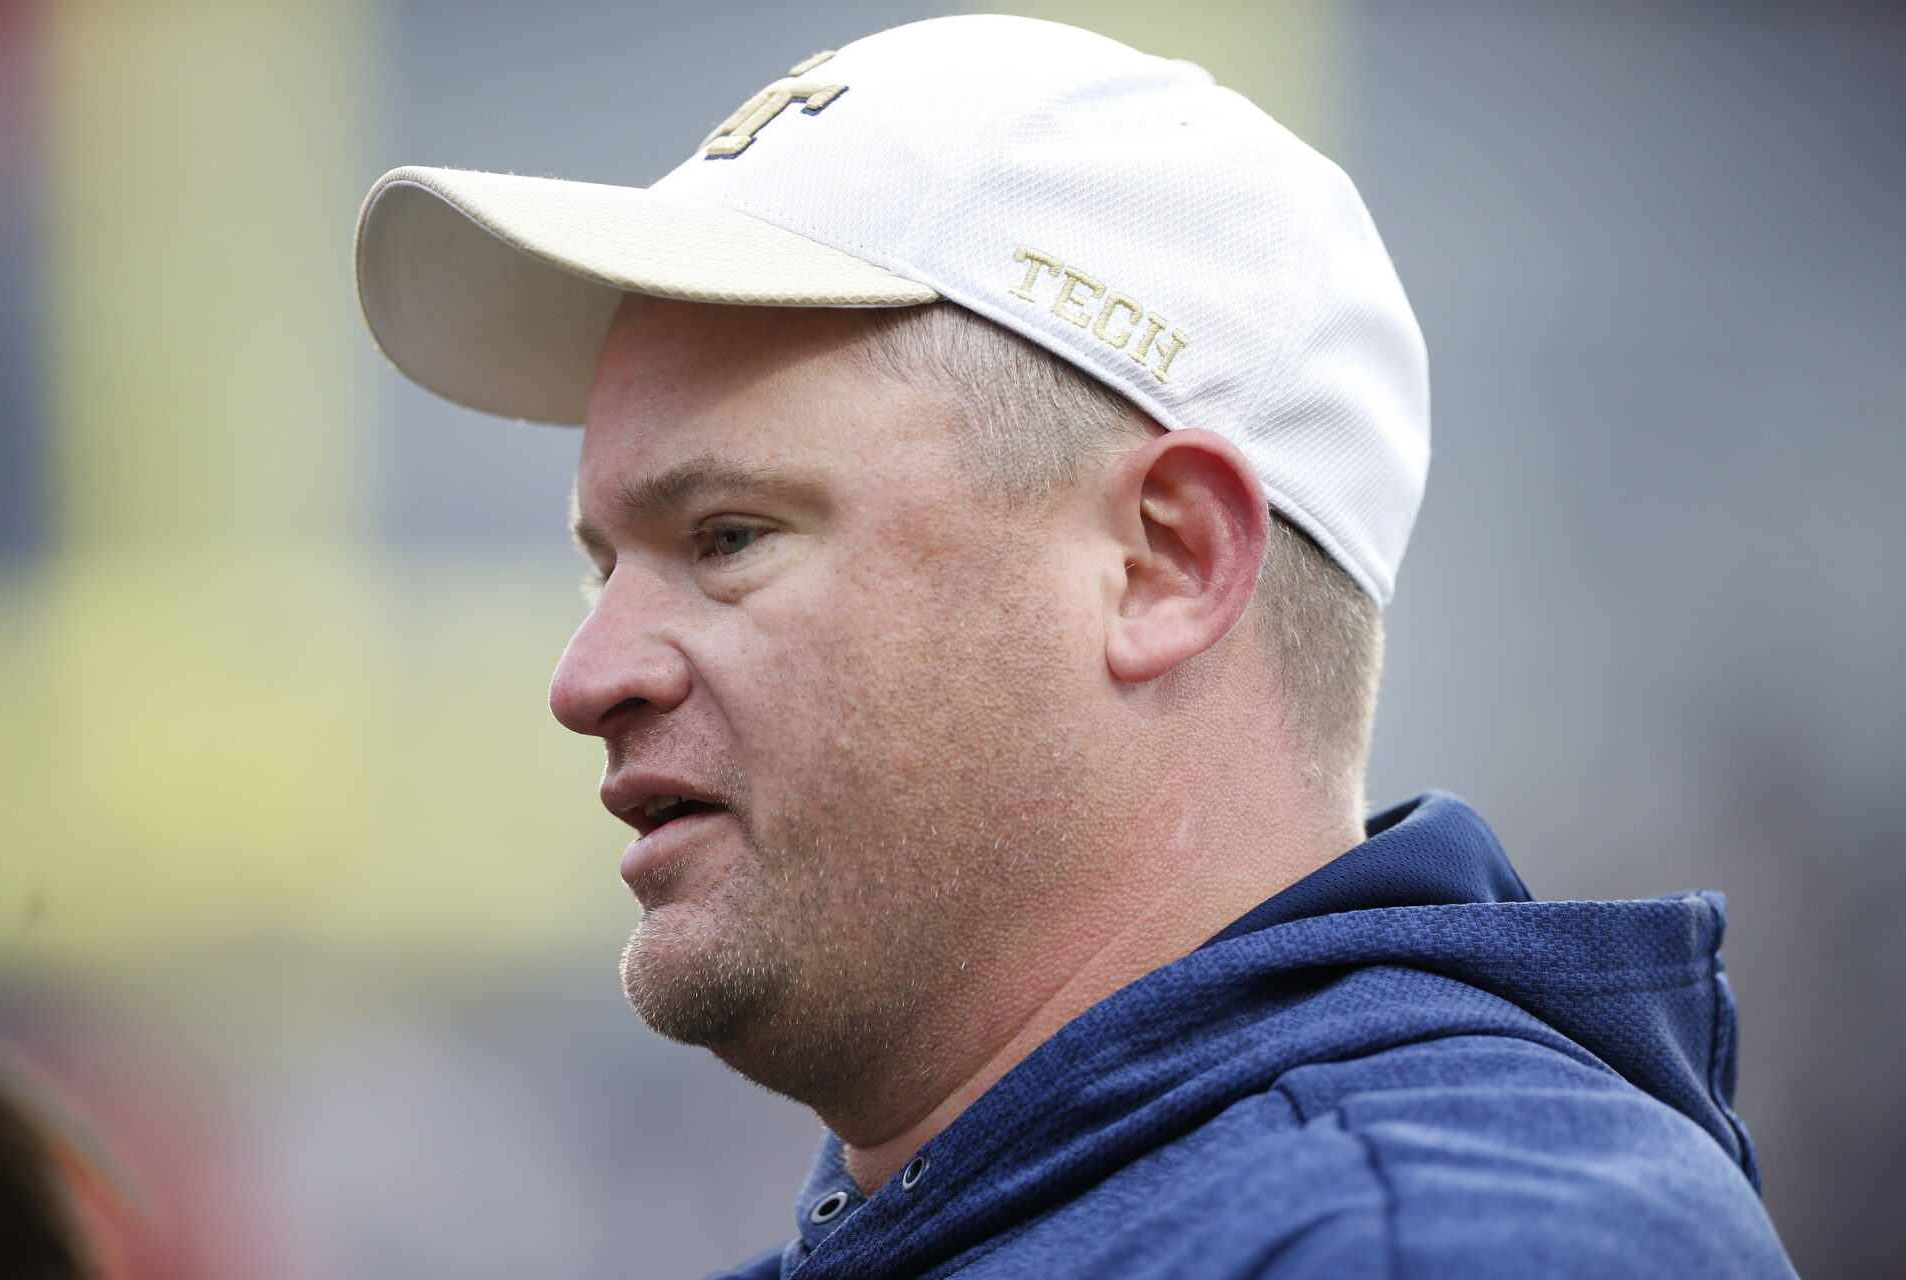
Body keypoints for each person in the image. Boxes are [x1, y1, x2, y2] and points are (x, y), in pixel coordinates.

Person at [352, 15, 1796, 1278]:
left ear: (1164, 563)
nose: (585, 677)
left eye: (726, 537)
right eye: (603, 563)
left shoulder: (1426, 1247)